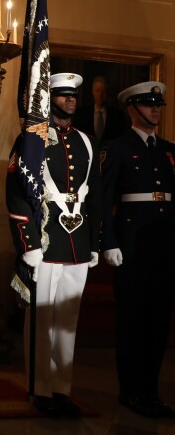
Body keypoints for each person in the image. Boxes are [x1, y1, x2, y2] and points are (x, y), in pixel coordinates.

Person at [6, 73, 102, 418]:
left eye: (73, 96)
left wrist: (93, 243)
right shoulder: (31, 140)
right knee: (42, 319)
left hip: (77, 242)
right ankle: (40, 389)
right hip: (46, 241)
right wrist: (28, 243)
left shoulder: (86, 142)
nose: (70, 101)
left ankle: (62, 388)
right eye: (63, 96)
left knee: (68, 322)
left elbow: (94, 195)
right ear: (50, 101)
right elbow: (17, 193)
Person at [100, 81, 175, 419]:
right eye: (148, 103)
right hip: (131, 246)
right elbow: (103, 200)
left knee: (158, 322)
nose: (156, 109)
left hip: (164, 245)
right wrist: (109, 241)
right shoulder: (116, 148)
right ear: (132, 108)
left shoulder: (170, 150)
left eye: (158, 103)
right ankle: (131, 392)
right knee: (132, 321)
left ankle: (151, 391)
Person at [74, 76, 129, 142]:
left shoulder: (117, 116)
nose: (100, 94)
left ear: (108, 93)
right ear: (93, 92)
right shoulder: (81, 114)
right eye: (98, 90)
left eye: (104, 91)